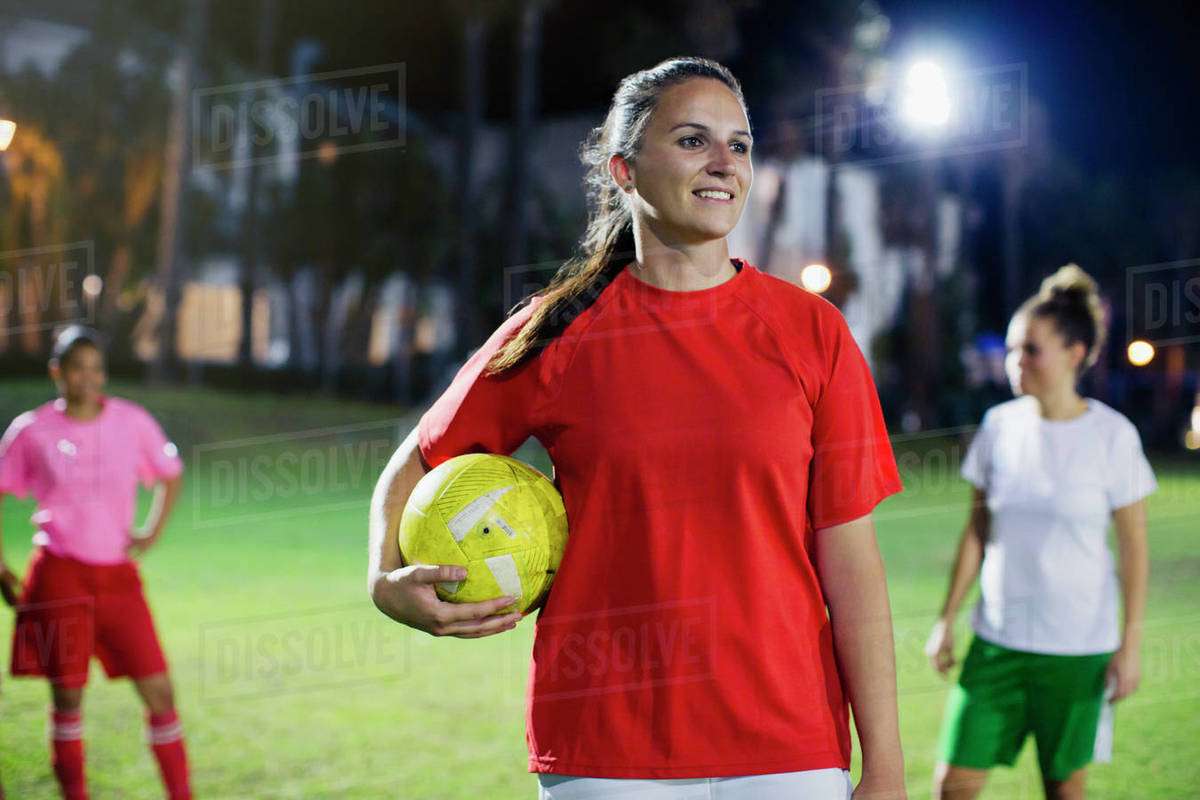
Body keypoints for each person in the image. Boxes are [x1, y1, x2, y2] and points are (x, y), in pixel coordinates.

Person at [368, 57, 908, 800]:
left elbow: (850, 561)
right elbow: (416, 461)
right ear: (624, 171)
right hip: (605, 748)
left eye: (740, 145)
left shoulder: (813, 332)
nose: (725, 164)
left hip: (789, 746)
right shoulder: (560, 331)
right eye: (693, 141)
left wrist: (886, 766)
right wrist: (382, 582)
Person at [925, 265, 1155, 800]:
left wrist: (1131, 644)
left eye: (1030, 350)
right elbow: (977, 532)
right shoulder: (998, 426)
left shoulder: (1113, 437)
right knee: (953, 785)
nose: (1015, 363)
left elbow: (1134, 548)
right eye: (1010, 350)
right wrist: (945, 619)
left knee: (1065, 790)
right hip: (997, 643)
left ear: (1075, 354)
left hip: (1077, 651)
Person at [0, 325, 192, 800]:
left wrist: (150, 532)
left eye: (95, 369)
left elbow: (171, 474)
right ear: (56, 372)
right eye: (76, 369)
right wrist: (2, 570)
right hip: (60, 573)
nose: (88, 378)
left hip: (118, 578)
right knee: (67, 697)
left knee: (160, 692)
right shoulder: (32, 429)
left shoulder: (131, 421)